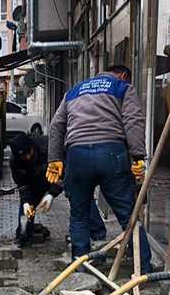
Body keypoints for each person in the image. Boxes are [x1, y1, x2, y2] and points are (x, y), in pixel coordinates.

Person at [47, 64, 151, 272]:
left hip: (77, 156)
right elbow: (133, 121)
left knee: (79, 215)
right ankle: (144, 268)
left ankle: (80, 269)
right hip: (111, 153)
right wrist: (138, 156)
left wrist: (55, 159)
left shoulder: (74, 91)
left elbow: (56, 126)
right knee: (128, 215)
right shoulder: (122, 87)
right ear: (123, 76)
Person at [8, 133, 64, 247]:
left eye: (29, 153)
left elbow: (64, 173)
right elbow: (22, 183)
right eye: (24, 156)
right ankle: (24, 236)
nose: (28, 157)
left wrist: (51, 194)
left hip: (54, 175)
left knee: (76, 194)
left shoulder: (48, 147)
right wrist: (25, 202)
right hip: (34, 182)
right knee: (28, 208)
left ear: (32, 147)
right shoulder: (15, 162)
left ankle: (96, 233)